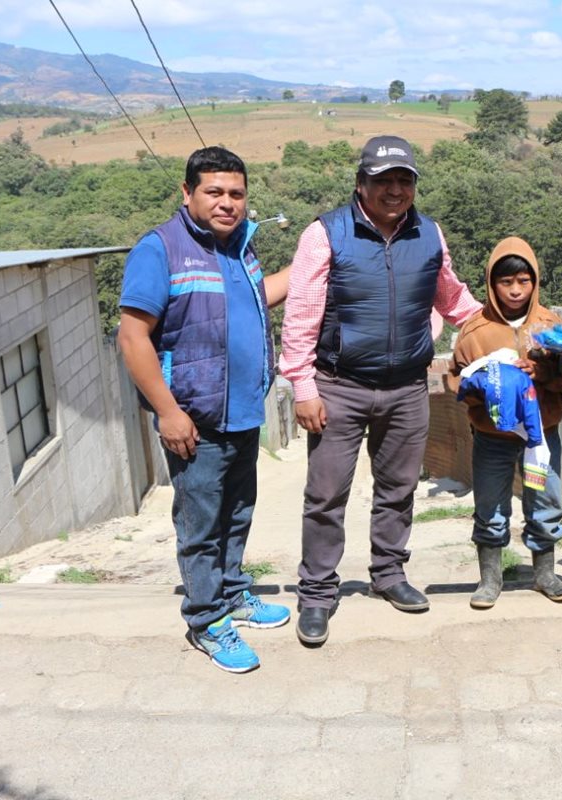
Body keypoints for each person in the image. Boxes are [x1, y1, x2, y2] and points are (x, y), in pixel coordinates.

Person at [280, 135, 483, 645]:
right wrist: (303, 387)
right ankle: (318, 593)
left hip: (408, 387)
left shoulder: (428, 234)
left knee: (398, 490)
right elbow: (300, 316)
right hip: (339, 386)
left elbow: (454, 298)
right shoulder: (324, 234)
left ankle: (389, 575)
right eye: (383, 180)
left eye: (404, 180)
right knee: (326, 494)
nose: (395, 190)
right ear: (361, 183)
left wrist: (506, 329)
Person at [118, 146, 291, 674]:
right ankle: (206, 618)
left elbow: (260, 297)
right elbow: (132, 337)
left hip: (243, 413)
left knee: (237, 513)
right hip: (194, 418)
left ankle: (234, 594)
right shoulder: (161, 249)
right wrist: (167, 411)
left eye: (236, 194)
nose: (227, 203)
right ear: (187, 192)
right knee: (200, 525)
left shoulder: (240, 247)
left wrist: (311, 266)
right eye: (214, 192)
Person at [449, 237, 562, 609]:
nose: (516, 290)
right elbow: (456, 380)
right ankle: (490, 580)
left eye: (524, 280)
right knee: (490, 505)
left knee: (545, 499)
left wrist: (542, 372)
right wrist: (486, 385)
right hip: (493, 438)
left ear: (535, 281)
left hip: (541, 438)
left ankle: (545, 574)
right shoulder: (475, 331)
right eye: (506, 282)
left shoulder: (551, 325)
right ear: (491, 283)